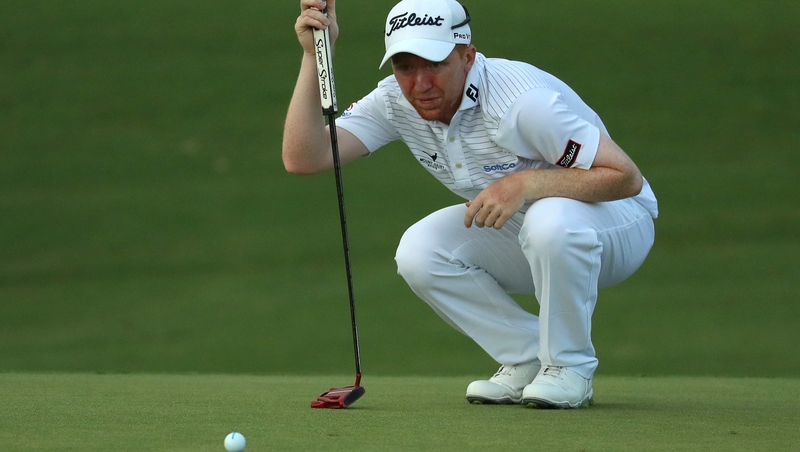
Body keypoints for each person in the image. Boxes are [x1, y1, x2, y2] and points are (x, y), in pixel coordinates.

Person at [284, 0, 658, 409]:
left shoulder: (521, 104)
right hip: (529, 228)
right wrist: (313, 55)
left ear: (467, 56)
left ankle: (569, 369)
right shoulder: (395, 101)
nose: (420, 83)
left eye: (435, 64)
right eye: (405, 67)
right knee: (420, 250)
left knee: (550, 219)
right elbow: (305, 157)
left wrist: (526, 182)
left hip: (619, 221)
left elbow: (625, 177)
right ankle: (527, 355)